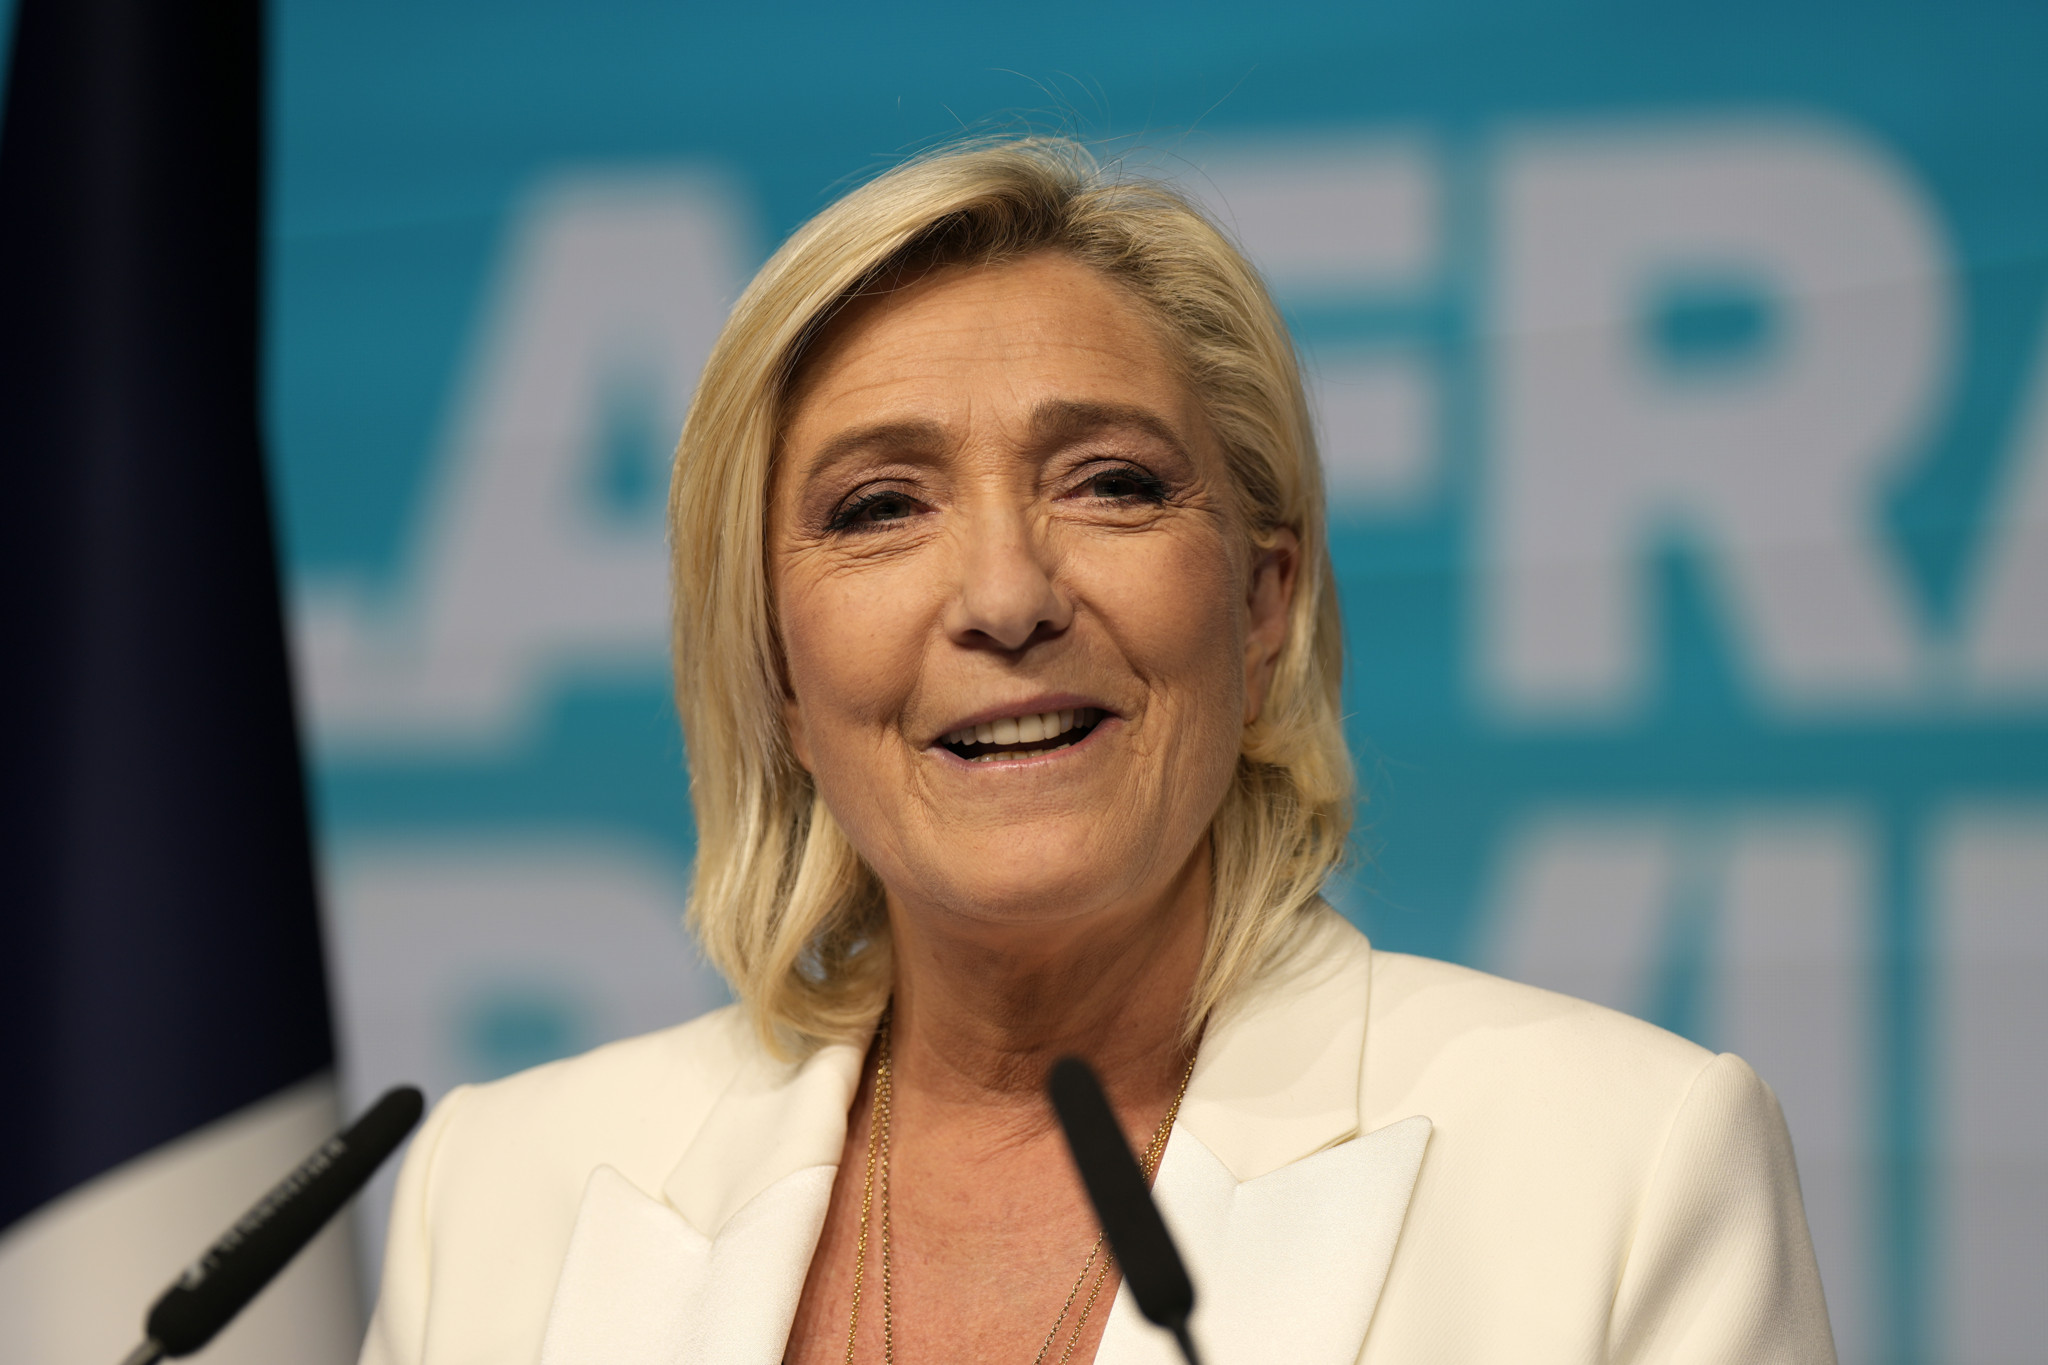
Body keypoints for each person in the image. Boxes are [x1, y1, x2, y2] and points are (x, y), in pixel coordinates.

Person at [358, 138, 1836, 1365]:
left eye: (1111, 483)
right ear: (776, 672)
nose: (1006, 596)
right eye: (880, 507)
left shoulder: (1622, 1170)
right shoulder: (503, 1193)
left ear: (1264, 604)